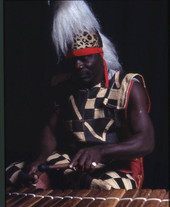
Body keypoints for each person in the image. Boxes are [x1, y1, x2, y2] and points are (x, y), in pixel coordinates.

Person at [6, 0, 154, 190]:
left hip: (116, 166)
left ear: (100, 56)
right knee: (18, 174)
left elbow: (146, 141)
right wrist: (39, 159)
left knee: (101, 189)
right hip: (71, 163)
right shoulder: (63, 86)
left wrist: (101, 151)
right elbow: (50, 131)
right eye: (74, 60)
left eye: (85, 58)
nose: (78, 66)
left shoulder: (129, 87)